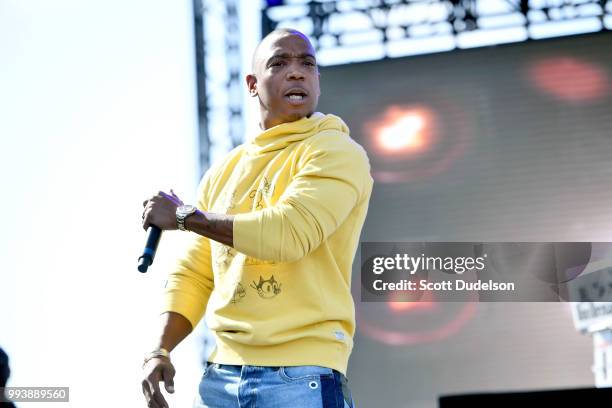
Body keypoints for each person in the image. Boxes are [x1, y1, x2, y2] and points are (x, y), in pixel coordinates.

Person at [141, 28, 373, 408]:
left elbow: (288, 233)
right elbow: (195, 273)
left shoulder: (335, 150)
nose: (297, 73)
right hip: (220, 380)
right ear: (252, 84)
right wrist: (160, 351)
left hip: (301, 376)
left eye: (307, 64)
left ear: (317, 80)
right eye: (279, 63)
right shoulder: (224, 170)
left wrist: (183, 216)